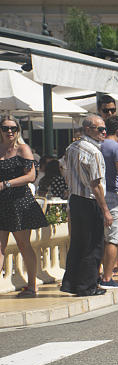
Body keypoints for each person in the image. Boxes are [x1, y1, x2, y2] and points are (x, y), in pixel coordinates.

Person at [60, 115, 112, 297]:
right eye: (100, 129)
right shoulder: (94, 152)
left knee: (77, 243)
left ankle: (71, 284)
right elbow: (96, 184)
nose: (104, 132)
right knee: (94, 245)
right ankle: (88, 286)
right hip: (90, 201)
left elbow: (64, 169)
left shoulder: (71, 147)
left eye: (105, 129)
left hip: (75, 199)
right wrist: (105, 210)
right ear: (88, 129)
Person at [0, 116, 48, 297]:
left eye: (13, 128)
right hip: (2, 203)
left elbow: (30, 176)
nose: (9, 131)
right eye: (5, 128)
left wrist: (6, 183)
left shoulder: (23, 149)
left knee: (23, 244)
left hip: (20, 202)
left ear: (18, 130)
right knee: (0, 246)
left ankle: (32, 286)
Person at [98, 115, 118, 288]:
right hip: (112, 195)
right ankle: (107, 277)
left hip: (96, 195)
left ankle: (97, 274)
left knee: (99, 238)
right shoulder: (117, 148)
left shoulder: (97, 145)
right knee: (113, 239)